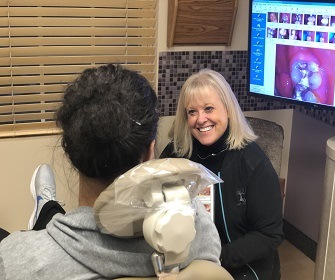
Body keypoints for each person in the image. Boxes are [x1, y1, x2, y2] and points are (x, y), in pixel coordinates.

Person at [0, 63, 222, 279]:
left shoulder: (19, 260)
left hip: (56, 242)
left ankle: (46, 208)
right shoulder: (198, 230)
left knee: (43, 223)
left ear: (70, 153)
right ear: (149, 151)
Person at [160, 69, 284, 280]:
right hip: (187, 264)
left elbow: (268, 235)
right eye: (192, 112)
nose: (201, 119)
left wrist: (213, 259)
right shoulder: (174, 155)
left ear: (227, 109)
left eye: (209, 108)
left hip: (244, 266)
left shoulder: (254, 163)